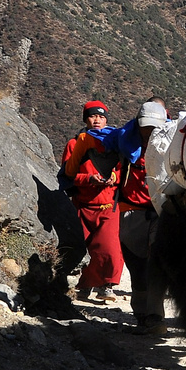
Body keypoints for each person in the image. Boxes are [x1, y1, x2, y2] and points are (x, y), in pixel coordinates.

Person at [62, 101, 124, 302]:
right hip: (82, 206)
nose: (97, 120)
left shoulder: (116, 144)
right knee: (87, 252)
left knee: (110, 249)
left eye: (101, 116)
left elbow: (126, 171)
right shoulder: (74, 144)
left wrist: (116, 176)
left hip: (109, 205)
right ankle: (85, 285)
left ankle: (106, 286)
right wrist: (88, 179)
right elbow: (67, 176)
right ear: (85, 119)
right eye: (92, 116)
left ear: (106, 119)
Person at [117, 99, 169, 334]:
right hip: (131, 213)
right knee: (136, 266)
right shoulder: (124, 145)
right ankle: (141, 314)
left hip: (161, 213)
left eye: (154, 128)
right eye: (145, 127)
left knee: (156, 264)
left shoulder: (171, 146)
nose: (149, 133)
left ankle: (155, 317)